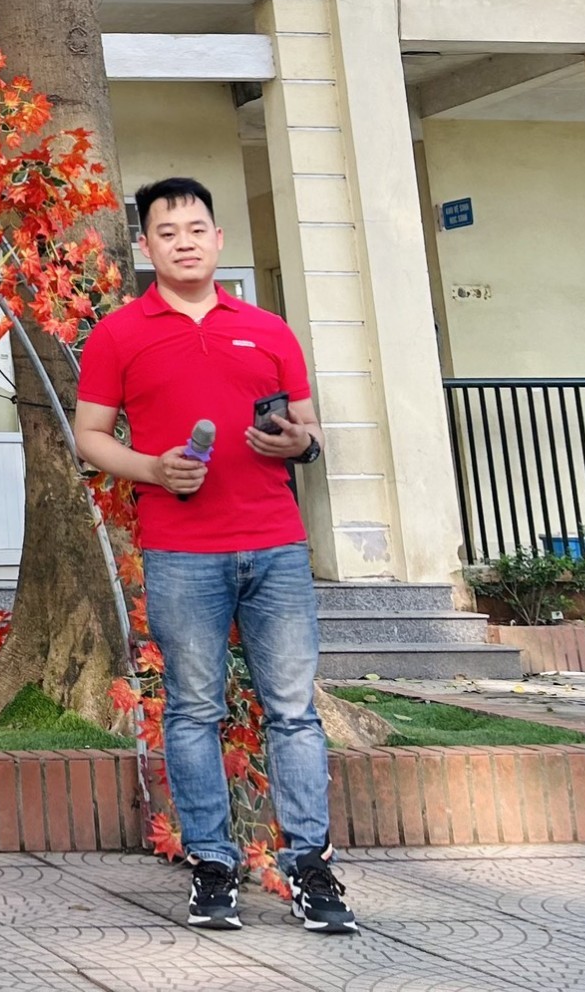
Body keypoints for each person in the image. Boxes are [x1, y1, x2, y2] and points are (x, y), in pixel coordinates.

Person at [73, 175, 357, 939]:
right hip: (182, 551)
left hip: (276, 546)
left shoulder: (269, 330)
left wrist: (298, 443)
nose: (185, 243)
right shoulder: (119, 335)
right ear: (146, 247)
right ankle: (211, 865)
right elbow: (90, 435)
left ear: (218, 238)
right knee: (194, 710)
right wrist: (152, 469)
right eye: (167, 233)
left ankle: (311, 869)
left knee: (293, 712)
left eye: (196, 229)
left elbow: (309, 429)